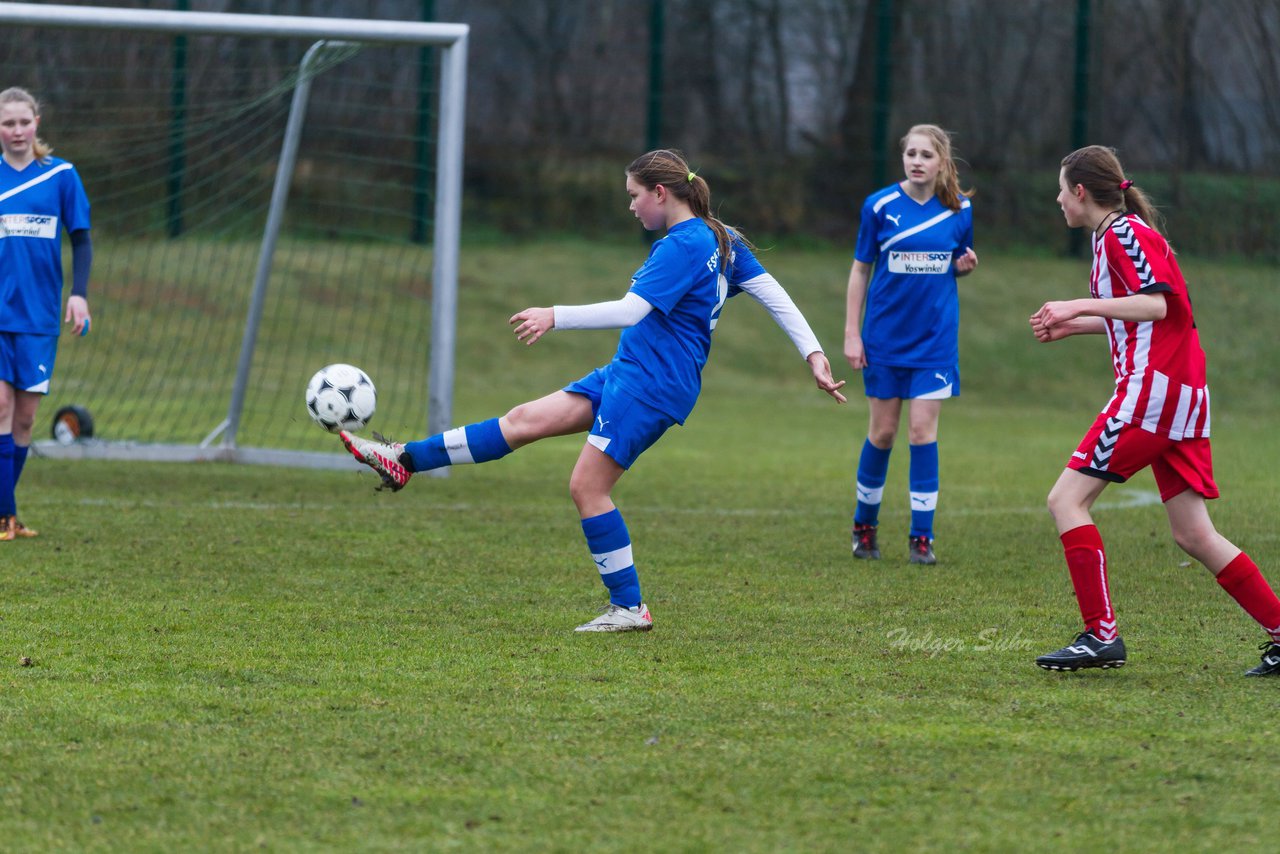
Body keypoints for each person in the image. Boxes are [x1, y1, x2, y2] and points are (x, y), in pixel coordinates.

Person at [341, 149, 846, 632]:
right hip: (632, 371)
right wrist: (814, 353)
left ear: (662, 192)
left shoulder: (683, 244)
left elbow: (631, 311)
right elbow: (771, 290)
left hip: (652, 384)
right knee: (523, 421)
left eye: (633, 195)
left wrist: (553, 315)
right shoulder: (719, 236)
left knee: (588, 487)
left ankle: (629, 608)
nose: (630, 206)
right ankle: (403, 459)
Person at [1030, 145, 1280, 676]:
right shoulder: (1114, 239)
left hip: (1153, 395)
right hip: (1179, 398)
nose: (1057, 199)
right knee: (1193, 534)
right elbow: (1142, 314)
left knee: (1065, 500)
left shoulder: (1124, 234)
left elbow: (1157, 303)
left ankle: (1100, 636)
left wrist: (1077, 304)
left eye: (1060, 189)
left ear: (1080, 192)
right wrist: (1078, 324)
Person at [843, 124, 978, 566]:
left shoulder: (959, 209)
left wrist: (964, 266)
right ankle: (865, 527)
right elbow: (861, 270)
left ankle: (923, 537)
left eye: (926, 155)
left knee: (922, 432)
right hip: (885, 337)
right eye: (911, 154)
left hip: (935, 341)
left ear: (942, 162)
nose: (917, 161)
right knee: (882, 433)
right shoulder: (878, 206)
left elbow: (953, 262)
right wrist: (852, 332)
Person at [0, 87, 92, 541]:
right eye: (7, 123)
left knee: (24, 420)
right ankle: (4, 516)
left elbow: (82, 238)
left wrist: (79, 295)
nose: (16, 131)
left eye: (23, 122)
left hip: (38, 317)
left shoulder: (61, 176)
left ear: (37, 123)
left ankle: (6, 513)